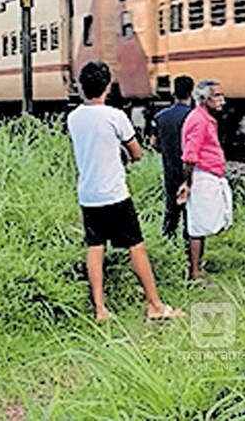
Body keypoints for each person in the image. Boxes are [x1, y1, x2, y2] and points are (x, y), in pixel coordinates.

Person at [66, 61, 182, 321]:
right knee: (136, 246)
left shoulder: (73, 118)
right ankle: (154, 305)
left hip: (88, 194)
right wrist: (122, 151)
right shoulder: (115, 116)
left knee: (95, 247)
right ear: (107, 86)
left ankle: (100, 309)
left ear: (82, 87)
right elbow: (137, 153)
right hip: (115, 194)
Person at [178, 79, 233, 285]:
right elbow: (189, 156)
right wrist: (188, 183)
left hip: (207, 175)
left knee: (200, 224)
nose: (222, 100)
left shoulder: (202, 118)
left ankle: (197, 268)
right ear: (203, 99)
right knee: (197, 226)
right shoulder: (199, 121)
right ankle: (195, 272)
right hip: (202, 176)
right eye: (217, 96)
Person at [154, 76, 194, 240]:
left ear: (173, 92)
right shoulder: (194, 117)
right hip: (190, 173)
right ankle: (189, 246)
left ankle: (167, 241)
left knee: (171, 211)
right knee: (190, 213)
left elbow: (154, 143)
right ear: (191, 92)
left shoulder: (161, 117)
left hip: (170, 170)